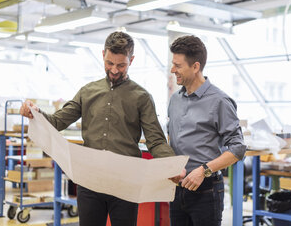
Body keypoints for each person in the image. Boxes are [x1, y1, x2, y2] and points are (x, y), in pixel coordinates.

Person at [20, 31, 181, 226]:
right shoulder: (87, 92)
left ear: (132, 59)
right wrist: (36, 112)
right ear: (103, 54)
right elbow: (57, 121)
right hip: (90, 182)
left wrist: (172, 165)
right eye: (109, 63)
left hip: (126, 183)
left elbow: (155, 140)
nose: (114, 70)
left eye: (121, 65)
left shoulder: (142, 97)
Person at [168, 35, 247, 226]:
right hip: (177, 189)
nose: (172, 70)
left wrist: (204, 170)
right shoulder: (175, 100)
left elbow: (238, 148)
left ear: (195, 67)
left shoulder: (219, 101)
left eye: (178, 66)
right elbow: (172, 137)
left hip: (206, 190)